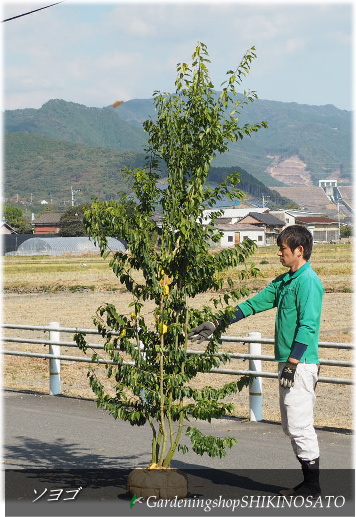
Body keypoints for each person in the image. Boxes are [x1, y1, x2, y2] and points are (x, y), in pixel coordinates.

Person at [188, 225, 324, 497]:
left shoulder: (308, 281)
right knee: (290, 426)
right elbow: (252, 304)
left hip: (300, 363)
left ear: (299, 250)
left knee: (299, 425)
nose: (278, 253)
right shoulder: (286, 281)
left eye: (283, 249)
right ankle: (309, 483)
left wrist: (293, 362)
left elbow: (308, 326)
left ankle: (312, 486)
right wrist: (217, 322)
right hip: (288, 363)